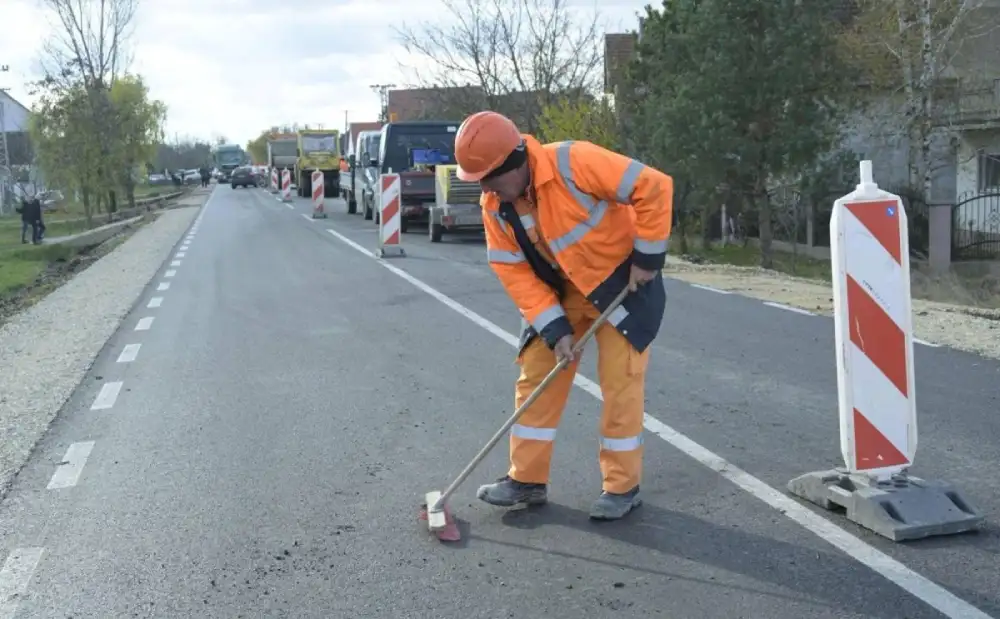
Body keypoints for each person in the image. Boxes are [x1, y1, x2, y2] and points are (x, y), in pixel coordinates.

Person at [454, 111, 674, 521]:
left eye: (489, 178)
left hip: (621, 284)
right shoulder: (494, 206)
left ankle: (621, 488)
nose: (485, 188)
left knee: (619, 383)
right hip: (560, 292)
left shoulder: (574, 161)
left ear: (514, 163)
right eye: (479, 181)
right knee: (536, 375)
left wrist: (648, 256)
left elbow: (654, 186)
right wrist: (555, 329)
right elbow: (513, 270)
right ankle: (526, 480)